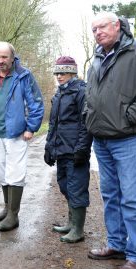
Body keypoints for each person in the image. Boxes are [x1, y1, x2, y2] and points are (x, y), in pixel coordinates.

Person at [85, 12, 136, 269]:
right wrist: (90, 117)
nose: (98, 32)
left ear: (117, 25)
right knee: (110, 195)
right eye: (94, 29)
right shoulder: (96, 58)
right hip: (102, 140)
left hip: (131, 138)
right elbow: (91, 95)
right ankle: (117, 245)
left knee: (132, 198)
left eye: (102, 27)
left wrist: (129, 116)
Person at [0, 41, 44, 232]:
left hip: (17, 133)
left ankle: (13, 216)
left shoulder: (23, 76)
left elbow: (36, 102)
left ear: (12, 57)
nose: (0, 61)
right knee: (1, 172)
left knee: (15, 173)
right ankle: (7, 208)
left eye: (4, 57)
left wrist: (31, 128)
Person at [44, 56, 92, 243]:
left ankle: (78, 229)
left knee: (76, 188)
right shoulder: (58, 95)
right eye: (57, 72)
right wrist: (49, 146)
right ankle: (71, 223)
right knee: (64, 185)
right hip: (60, 150)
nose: (59, 76)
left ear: (72, 72)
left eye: (63, 72)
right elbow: (53, 124)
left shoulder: (81, 91)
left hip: (75, 150)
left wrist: (82, 148)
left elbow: (86, 122)